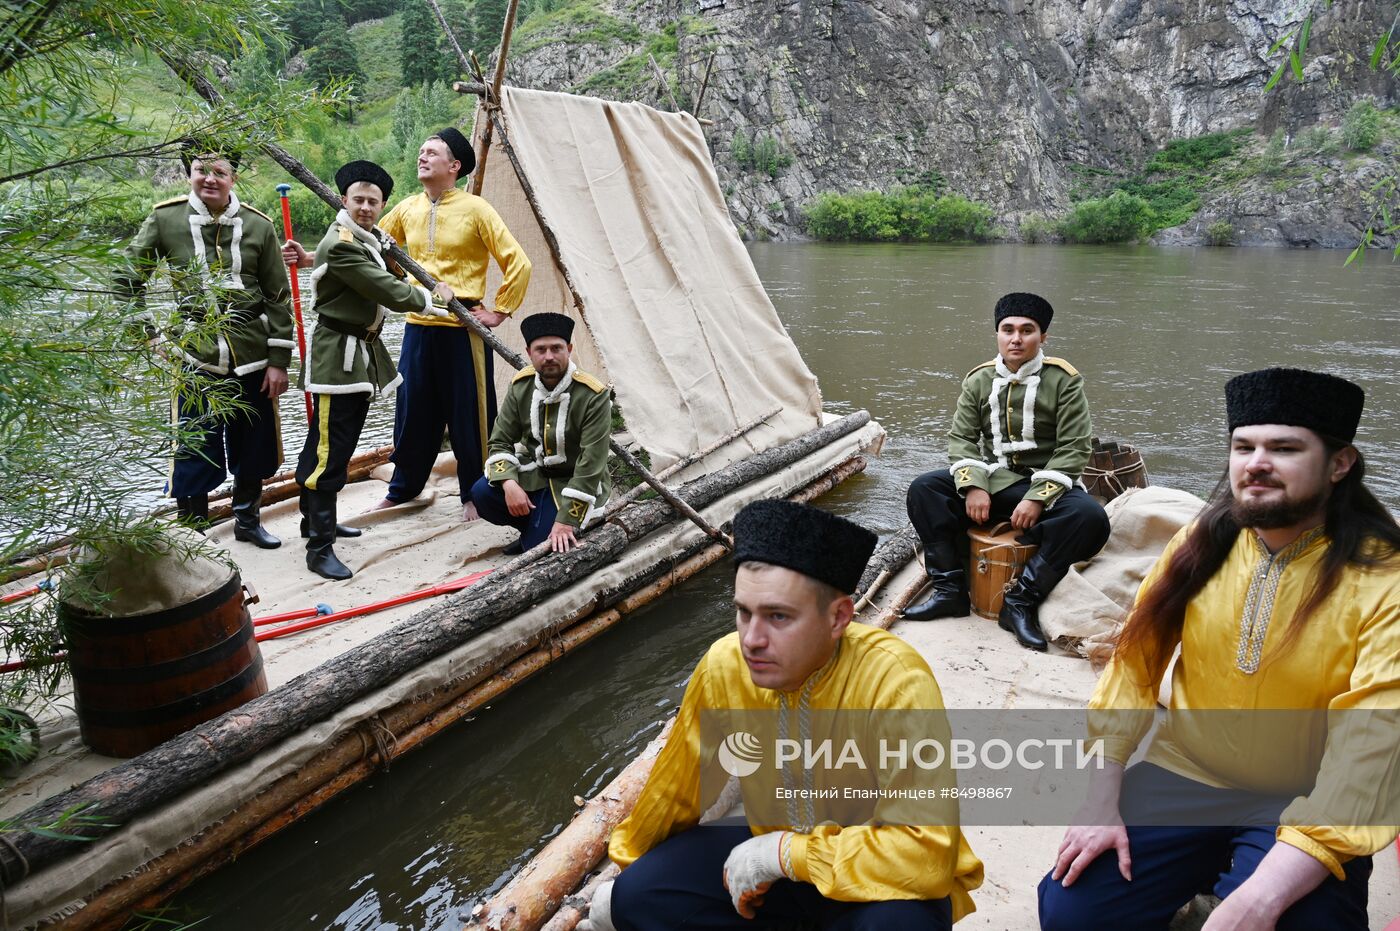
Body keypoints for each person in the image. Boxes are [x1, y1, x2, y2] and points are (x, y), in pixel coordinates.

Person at [1039, 367, 1400, 931]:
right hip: (1187, 771)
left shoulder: (1384, 575)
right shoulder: (1201, 541)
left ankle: (1224, 893)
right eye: (1243, 446)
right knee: (1074, 912)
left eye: (1284, 448)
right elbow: (1133, 667)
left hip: (1304, 798)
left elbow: (1371, 751)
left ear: (1339, 463)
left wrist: (1256, 904)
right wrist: (1100, 800)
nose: (1256, 463)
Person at [580, 499, 985, 931]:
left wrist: (784, 855)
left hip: (873, 873)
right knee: (640, 895)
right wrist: (627, 875)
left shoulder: (895, 680)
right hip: (769, 857)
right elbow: (676, 791)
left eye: (778, 616)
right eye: (743, 612)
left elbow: (925, 852)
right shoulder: (725, 665)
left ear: (838, 618)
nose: (752, 639)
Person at [903, 292, 1110, 651]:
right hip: (995, 479)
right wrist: (972, 486)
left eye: (1027, 331)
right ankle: (950, 591)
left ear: (1042, 336)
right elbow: (962, 438)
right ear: (997, 334)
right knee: (925, 489)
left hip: (1049, 484)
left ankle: (1019, 603)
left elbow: (1075, 447)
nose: (1016, 338)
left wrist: (1037, 498)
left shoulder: (1064, 380)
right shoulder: (979, 380)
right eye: (1007, 329)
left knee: (1090, 517)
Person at [282, 160, 452, 580]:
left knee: (327, 443)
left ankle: (313, 521)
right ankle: (319, 549)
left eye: (372, 202)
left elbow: (389, 269)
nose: (364, 207)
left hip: (358, 354)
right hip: (336, 357)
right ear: (344, 200)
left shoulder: (370, 239)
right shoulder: (342, 244)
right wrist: (436, 300)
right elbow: (388, 290)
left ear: (381, 206)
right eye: (357, 199)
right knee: (329, 451)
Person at [117, 141, 293, 548]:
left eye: (219, 172)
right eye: (201, 170)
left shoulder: (259, 225)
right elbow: (126, 280)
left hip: (253, 353)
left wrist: (279, 361)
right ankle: (193, 535)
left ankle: (247, 522)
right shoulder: (166, 219)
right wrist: (148, 334)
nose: (209, 179)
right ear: (189, 174)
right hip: (192, 354)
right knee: (194, 446)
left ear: (233, 178)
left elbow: (278, 296)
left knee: (255, 443)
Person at [371, 127, 532, 519]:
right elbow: (368, 244)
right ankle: (404, 487)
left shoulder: (476, 209)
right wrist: (310, 259)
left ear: (454, 166)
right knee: (412, 411)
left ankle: (475, 492)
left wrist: (498, 311)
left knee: (471, 416)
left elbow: (518, 262)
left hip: (464, 330)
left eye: (431, 152)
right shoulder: (408, 208)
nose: (421, 157)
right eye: (420, 152)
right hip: (418, 322)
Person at [470, 312, 611, 555]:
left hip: (573, 481)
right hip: (535, 474)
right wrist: (509, 483)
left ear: (568, 349)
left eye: (556, 348)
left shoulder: (593, 394)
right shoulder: (521, 386)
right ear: (529, 353)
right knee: (482, 493)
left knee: (543, 549)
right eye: (541, 349)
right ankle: (531, 528)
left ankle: (537, 533)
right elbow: (500, 441)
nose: (549, 357)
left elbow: (591, 465)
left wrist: (566, 522)